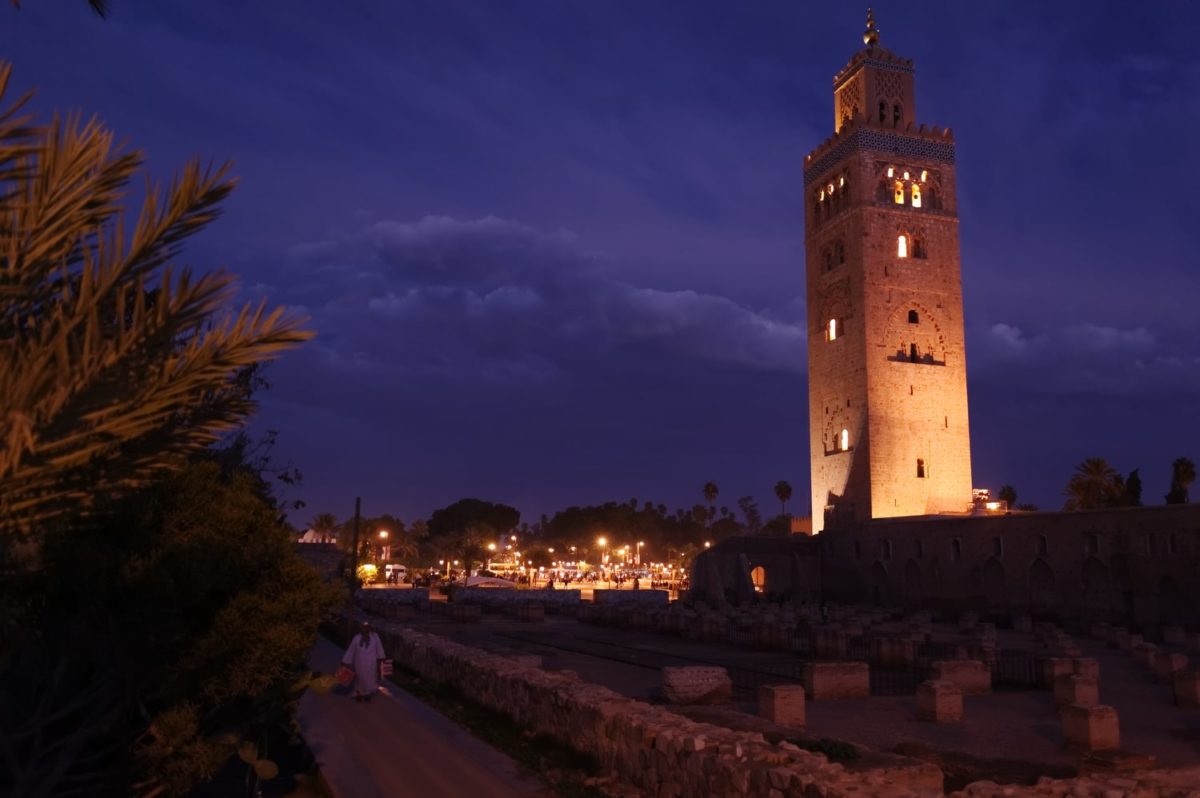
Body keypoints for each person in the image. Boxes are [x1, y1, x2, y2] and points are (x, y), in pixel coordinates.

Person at [341, 621, 386, 703]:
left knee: (370, 678)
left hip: (371, 662)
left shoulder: (375, 637)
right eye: (364, 627)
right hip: (359, 662)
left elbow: (379, 647)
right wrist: (345, 661)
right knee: (360, 678)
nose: (365, 629)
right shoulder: (357, 637)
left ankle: (368, 694)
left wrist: (382, 657)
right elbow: (351, 650)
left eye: (367, 627)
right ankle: (359, 693)